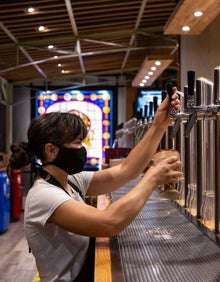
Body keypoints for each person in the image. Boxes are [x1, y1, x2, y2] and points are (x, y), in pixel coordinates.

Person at [8, 90, 182, 282]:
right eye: (76, 143)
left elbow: (126, 170)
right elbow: (109, 222)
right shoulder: (44, 195)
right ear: (51, 150)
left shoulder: (71, 180)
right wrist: (152, 178)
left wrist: (160, 124)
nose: (82, 149)